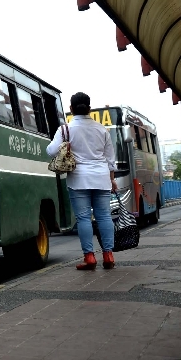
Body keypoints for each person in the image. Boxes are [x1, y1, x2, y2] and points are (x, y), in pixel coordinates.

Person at [47, 92, 118, 270]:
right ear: (89, 108)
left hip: (78, 179)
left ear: (71, 109)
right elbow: (110, 159)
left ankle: (90, 257)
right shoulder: (102, 129)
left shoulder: (66, 129)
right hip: (101, 178)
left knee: (84, 218)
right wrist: (112, 180)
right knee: (104, 216)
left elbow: (51, 151)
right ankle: (108, 255)